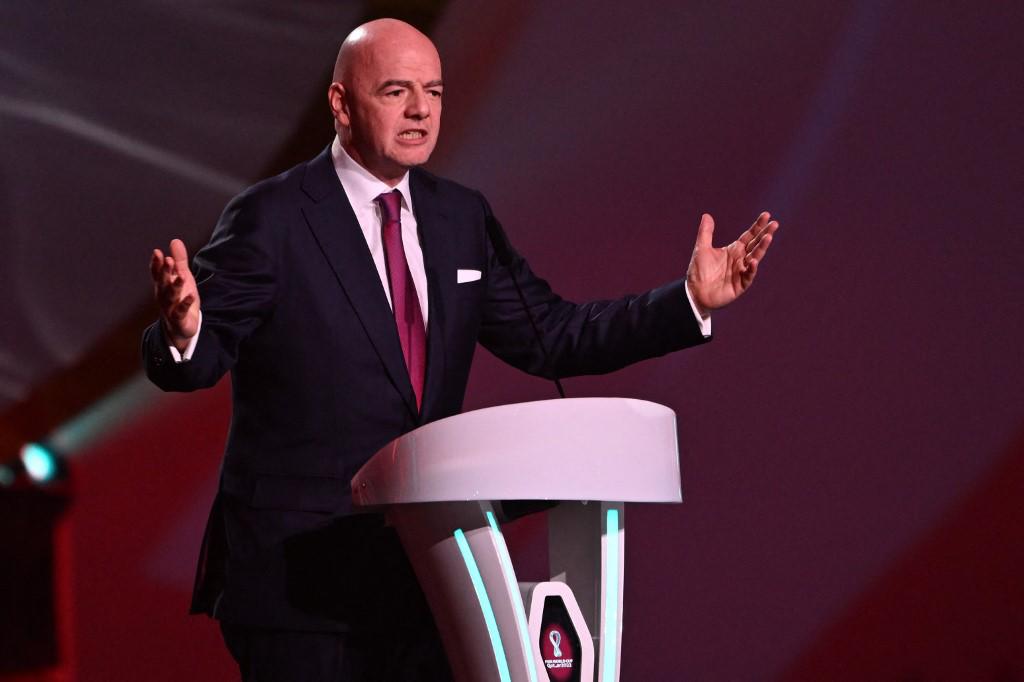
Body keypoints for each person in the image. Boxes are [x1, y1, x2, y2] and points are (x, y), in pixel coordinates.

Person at [143, 18, 778, 682]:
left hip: (429, 574)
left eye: (435, 91)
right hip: (300, 585)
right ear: (340, 104)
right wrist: (184, 333)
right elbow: (200, 355)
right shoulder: (272, 216)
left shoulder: (459, 218)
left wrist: (687, 302)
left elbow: (552, 336)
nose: (421, 110)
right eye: (396, 91)